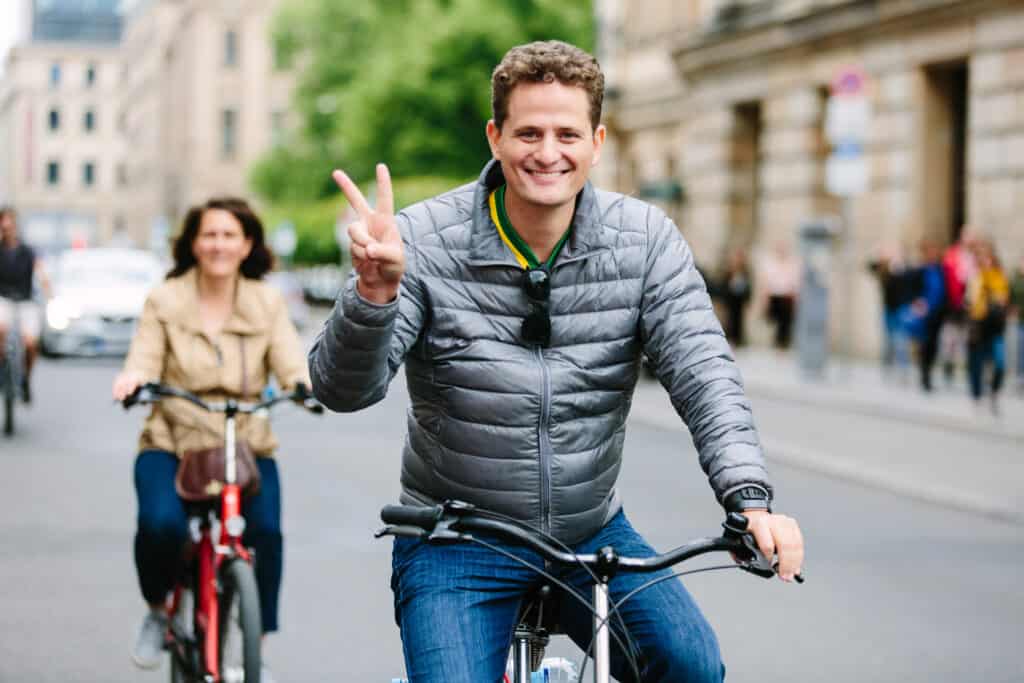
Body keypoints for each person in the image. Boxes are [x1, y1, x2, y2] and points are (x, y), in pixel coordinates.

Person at [309, 41, 803, 683]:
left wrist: (751, 499)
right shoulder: (421, 240)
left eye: (567, 133)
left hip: (589, 533)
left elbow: (705, 374)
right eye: (529, 132)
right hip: (455, 540)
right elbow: (341, 389)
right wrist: (374, 295)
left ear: (596, 141)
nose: (548, 152)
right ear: (496, 136)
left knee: (691, 667)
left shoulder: (645, 241)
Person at [111, 198, 309, 681]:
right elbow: (144, 356)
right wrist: (133, 380)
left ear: (247, 245)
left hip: (245, 442)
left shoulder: (266, 300)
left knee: (266, 532)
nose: (219, 244)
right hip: (173, 437)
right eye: (209, 234)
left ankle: (254, 636)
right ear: (193, 243)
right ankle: (159, 611)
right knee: (161, 526)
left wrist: (303, 386)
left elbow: (289, 359)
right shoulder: (166, 297)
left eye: (229, 235)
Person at [0, 206, 50, 402]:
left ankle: (25, 379)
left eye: (9, 223)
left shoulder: (27, 251)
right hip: (3, 300)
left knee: (30, 343)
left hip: (25, 301)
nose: (7, 227)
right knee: (1, 329)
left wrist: (50, 295)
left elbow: (42, 274)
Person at [964, 239, 1009, 414]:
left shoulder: (1000, 277)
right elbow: (969, 302)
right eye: (981, 257)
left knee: (999, 363)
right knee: (977, 363)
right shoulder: (975, 277)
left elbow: (1004, 299)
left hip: (996, 327)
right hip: (978, 327)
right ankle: (976, 395)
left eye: (988, 256)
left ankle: (994, 393)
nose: (985, 260)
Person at [867, 243, 918, 379]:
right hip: (888, 310)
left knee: (901, 341)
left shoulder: (904, 270)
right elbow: (869, 267)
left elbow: (912, 280)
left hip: (901, 310)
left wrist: (900, 266)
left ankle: (903, 370)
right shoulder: (884, 270)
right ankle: (887, 369)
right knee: (887, 341)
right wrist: (879, 255)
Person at [900, 240, 945, 392]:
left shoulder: (940, 270)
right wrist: (917, 302)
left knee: (933, 346)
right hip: (923, 315)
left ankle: (928, 373)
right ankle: (924, 377)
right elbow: (910, 289)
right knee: (924, 346)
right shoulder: (920, 270)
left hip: (937, 313)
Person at [938, 227, 977, 387]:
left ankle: (967, 369)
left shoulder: (975, 257)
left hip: (968, 305)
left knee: (965, 339)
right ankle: (948, 366)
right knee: (949, 339)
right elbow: (946, 277)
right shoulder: (952, 255)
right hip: (952, 305)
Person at [759, 240, 800, 350]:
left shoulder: (792, 263)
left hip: (787, 296)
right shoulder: (770, 263)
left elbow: (794, 281)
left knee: (785, 321)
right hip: (775, 295)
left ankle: (782, 343)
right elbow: (766, 282)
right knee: (775, 320)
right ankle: (777, 341)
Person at [716, 246, 753, 347]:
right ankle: (729, 337)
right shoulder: (728, 270)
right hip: (730, 298)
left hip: (740, 299)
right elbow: (723, 284)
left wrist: (748, 298)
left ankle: (738, 338)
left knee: (739, 319)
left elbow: (749, 285)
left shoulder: (745, 270)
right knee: (729, 318)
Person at [1010, 255, 1024, 395]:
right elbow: (1011, 297)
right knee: (1021, 349)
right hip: (1021, 320)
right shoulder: (1017, 280)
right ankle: (1020, 378)